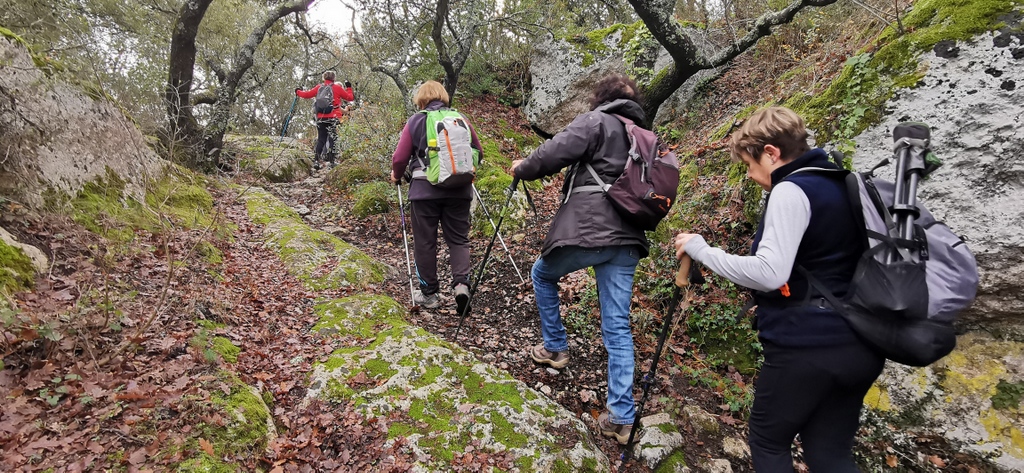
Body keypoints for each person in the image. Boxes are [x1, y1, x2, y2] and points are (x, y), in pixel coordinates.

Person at [673, 106, 884, 472]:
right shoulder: (840, 182)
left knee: (769, 441)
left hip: (808, 345)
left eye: (750, 165)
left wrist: (702, 251)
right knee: (828, 451)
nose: (752, 176)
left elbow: (770, 273)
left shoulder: (792, 190)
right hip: (862, 341)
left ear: (771, 152)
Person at [509, 74, 648, 445]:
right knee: (617, 325)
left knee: (542, 274)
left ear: (601, 97)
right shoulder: (643, 135)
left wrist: (522, 167)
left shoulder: (596, 120)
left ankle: (555, 348)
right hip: (629, 236)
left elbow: (553, 152)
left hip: (590, 229)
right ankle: (621, 417)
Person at [390, 81, 482, 313]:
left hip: (424, 192)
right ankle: (461, 285)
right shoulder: (460, 118)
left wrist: (396, 175)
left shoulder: (416, 120)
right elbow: (478, 152)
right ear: (443, 96)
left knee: (425, 242)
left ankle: (429, 293)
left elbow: (400, 158)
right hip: (459, 190)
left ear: (421, 99)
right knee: (459, 240)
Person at [295, 71, 354, 169]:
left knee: (321, 139)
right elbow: (350, 97)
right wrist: (349, 87)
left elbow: (306, 95)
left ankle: (316, 161)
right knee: (332, 139)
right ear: (334, 78)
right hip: (333, 118)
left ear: (324, 78)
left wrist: (297, 91)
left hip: (321, 118)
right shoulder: (337, 88)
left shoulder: (319, 87)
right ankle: (332, 162)